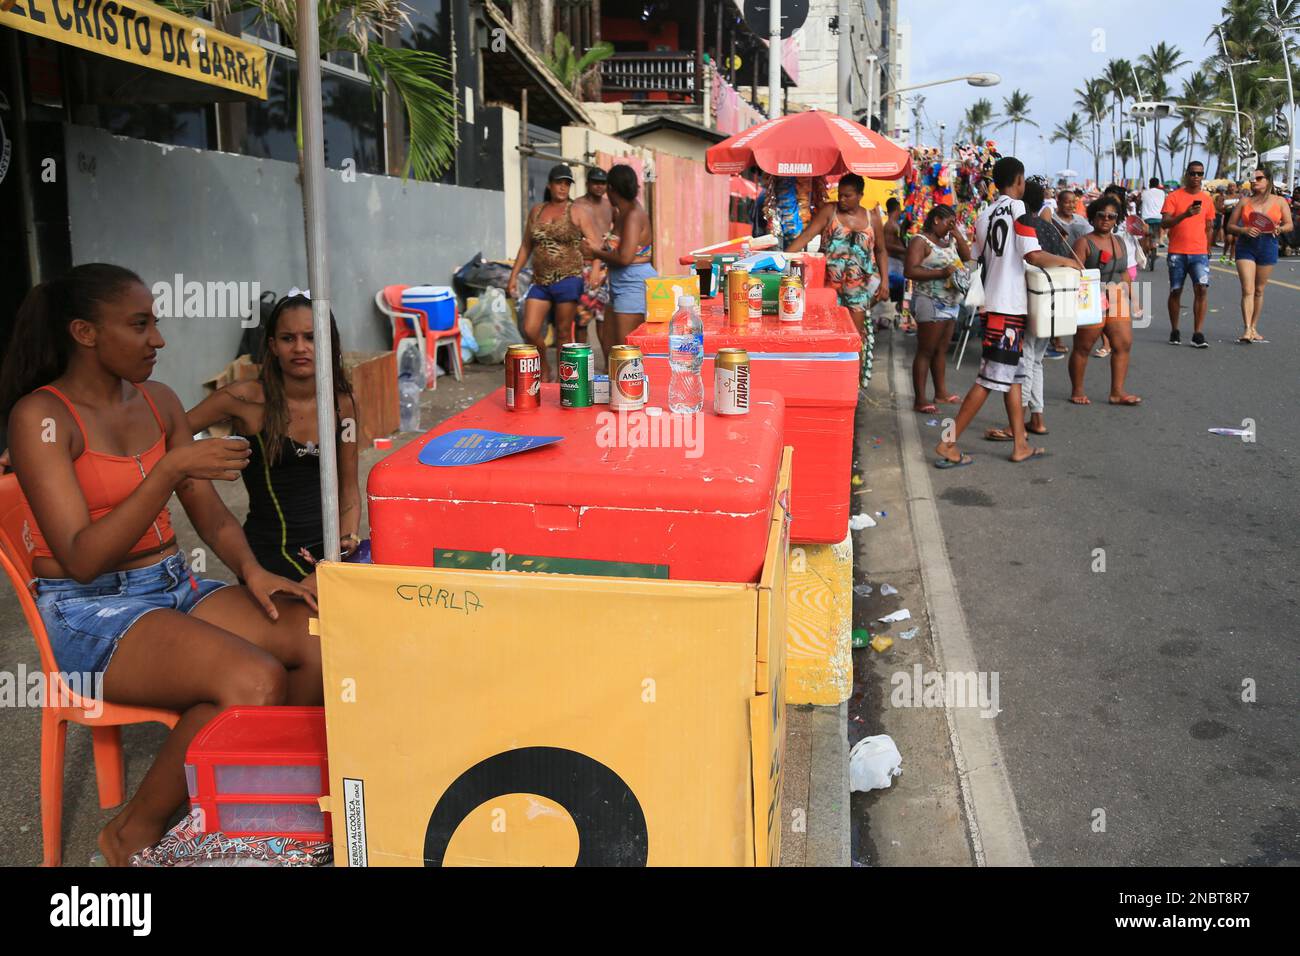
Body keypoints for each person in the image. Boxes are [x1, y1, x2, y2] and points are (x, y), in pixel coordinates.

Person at [0, 264, 321, 866]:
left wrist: (254, 573)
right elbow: (83, 555)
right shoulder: (41, 418)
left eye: (157, 322)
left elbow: (212, 516)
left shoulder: (160, 400)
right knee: (252, 679)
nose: (159, 340)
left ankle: (255, 809)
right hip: (89, 607)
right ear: (85, 332)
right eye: (140, 324)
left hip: (172, 583)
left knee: (314, 640)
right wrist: (170, 469)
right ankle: (130, 835)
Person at [186, 292, 361, 580]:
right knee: (309, 616)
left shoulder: (343, 402)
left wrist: (348, 538)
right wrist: (192, 468)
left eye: (311, 337)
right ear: (272, 346)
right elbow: (171, 435)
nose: (300, 347)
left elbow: (349, 488)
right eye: (288, 338)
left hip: (326, 549)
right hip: (268, 553)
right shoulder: (245, 399)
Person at [933, 157, 1080, 468]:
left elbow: (974, 255)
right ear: (1020, 180)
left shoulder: (985, 214)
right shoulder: (1019, 210)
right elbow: (1033, 254)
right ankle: (947, 443)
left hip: (992, 304)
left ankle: (1020, 444)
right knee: (989, 379)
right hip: (1008, 307)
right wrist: (1067, 261)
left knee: (1014, 377)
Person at [983, 178, 1072, 443]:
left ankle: (1017, 424)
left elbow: (1027, 258)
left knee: (1024, 363)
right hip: (1051, 304)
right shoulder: (1050, 228)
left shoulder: (1021, 224)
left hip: (1026, 302)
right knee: (1036, 362)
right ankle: (1038, 418)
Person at [786, 173, 889, 386]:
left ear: (860, 195)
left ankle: (852, 387)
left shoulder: (873, 218)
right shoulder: (829, 211)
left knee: (854, 337)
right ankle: (826, 382)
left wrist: (885, 282)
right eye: (840, 195)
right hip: (828, 287)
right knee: (827, 334)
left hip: (858, 288)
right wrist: (782, 259)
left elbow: (881, 251)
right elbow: (806, 236)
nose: (842, 200)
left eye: (847, 196)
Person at [506, 164, 586, 380]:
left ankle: (566, 379)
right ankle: (544, 367)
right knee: (530, 329)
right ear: (549, 185)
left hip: (568, 278)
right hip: (540, 281)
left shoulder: (575, 210)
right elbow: (526, 245)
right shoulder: (537, 211)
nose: (563, 187)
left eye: (567, 183)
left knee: (562, 333)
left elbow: (593, 241)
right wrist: (513, 275)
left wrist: (596, 267)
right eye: (559, 182)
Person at [1069, 195, 1141, 406]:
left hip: (1117, 296)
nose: (1106, 220)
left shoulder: (1120, 241)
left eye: (1111, 216)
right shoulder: (1084, 242)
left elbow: (1125, 273)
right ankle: (1077, 390)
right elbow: (1073, 272)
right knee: (1083, 347)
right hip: (1091, 298)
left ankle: (1117, 392)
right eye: (1102, 215)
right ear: (1093, 217)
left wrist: (1134, 301)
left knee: (1123, 344)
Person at [904, 205, 970, 413]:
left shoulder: (949, 241)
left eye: (954, 223)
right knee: (926, 350)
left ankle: (940, 392)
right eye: (948, 223)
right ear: (936, 220)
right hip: (930, 301)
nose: (951, 227)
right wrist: (941, 273)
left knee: (941, 349)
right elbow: (910, 270)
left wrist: (958, 234)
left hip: (951, 303)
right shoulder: (920, 241)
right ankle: (920, 399)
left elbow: (966, 256)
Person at [584, 163, 657, 346]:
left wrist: (594, 252)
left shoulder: (633, 215)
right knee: (610, 347)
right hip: (618, 282)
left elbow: (625, 258)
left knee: (626, 351)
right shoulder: (622, 212)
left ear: (611, 188)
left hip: (633, 284)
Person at [1226, 165, 1293, 343]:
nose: (1254, 181)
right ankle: (1247, 328)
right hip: (1246, 246)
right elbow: (1230, 226)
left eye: (1259, 178)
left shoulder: (1279, 201)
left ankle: (1254, 326)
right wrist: (1244, 230)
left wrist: (1279, 228)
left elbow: (1289, 224)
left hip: (1268, 244)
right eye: (1253, 179)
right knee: (1247, 289)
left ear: (1268, 181)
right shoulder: (1244, 201)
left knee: (1259, 290)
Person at [1161, 161, 1217, 348]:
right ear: (1187, 174)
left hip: (1199, 252)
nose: (1196, 177)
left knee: (1201, 289)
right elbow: (1165, 223)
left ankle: (1198, 333)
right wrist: (1185, 215)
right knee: (1176, 290)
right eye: (1193, 173)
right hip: (1177, 252)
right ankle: (1174, 330)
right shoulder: (1174, 197)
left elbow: (1209, 226)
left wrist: (1208, 247)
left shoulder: (1207, 199)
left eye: (1200, 174)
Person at [1044, 188, 1089, 358]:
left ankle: (1060, 336)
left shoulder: (1081, 221)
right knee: (1055, 304)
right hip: (1055, 266)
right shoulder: (1050, 219)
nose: (1071, 205)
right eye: (1067, 202)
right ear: (1058, 202)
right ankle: (1057, 339)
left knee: (1069, 304)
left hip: (1074, 268)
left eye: (1073, 202)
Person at [574, 167, 615, 352]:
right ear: (587, 183)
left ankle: (607, 364)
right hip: (583, 265)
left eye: (603, 183)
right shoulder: (577, 205)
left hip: (605, 266)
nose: (599, 187)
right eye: (595, 182)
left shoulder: (609, 205)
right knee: (582, 318)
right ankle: (581, 362)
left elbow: (615, 233)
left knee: (603, 319)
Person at [883, 197, 910, 331]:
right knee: (901, 290)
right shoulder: (890, 225)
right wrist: (905, 250)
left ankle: (899, 317)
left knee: (901, 292)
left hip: (896, 263)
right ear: (897, 209)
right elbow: (887, 245)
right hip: (892, 263)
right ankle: (897, 317)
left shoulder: (894, 224)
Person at [1140, 176, 1165, 267]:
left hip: (1146, 218)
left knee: (1146, 236)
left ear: (1150, 184)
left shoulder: (1145, 193)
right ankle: (1156, 245)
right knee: (1155, 235)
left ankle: (1147, 251)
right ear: (1158, 184)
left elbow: (1140, 202)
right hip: (1158, 218)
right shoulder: (1162, 193)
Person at [1221, 181, 1241, 263]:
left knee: (1235, 240)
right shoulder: (1224, 197)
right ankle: (1224, 254)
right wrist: (1228, 207)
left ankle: (1231, 258)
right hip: (1228, 219)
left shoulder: (1239, 197)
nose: (1232, 188)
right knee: (1229, 239)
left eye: (1233, 186)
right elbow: (1220, 208)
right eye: (1230, 186)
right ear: (1228, 188)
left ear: (1236, 188)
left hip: (1237, 220)